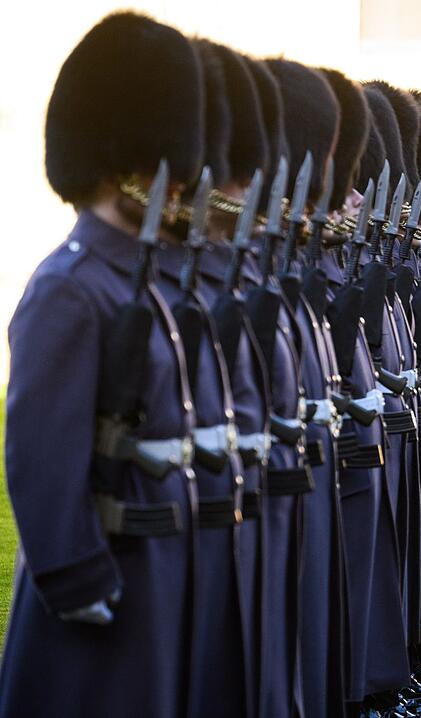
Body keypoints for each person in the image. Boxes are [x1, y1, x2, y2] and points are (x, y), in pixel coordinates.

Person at [0, 12, 206, 716]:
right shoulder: (70, 285)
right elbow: (39, 453)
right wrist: (75, 574)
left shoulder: (137, 279)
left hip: (154, 572)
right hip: (98, 586)